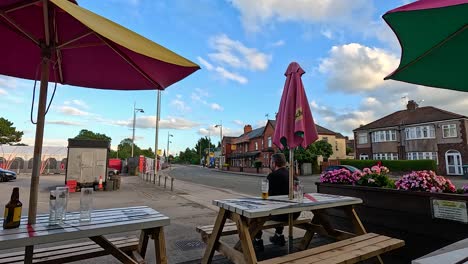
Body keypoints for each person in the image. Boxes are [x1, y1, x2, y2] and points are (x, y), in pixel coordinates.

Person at [253, 153, 300, 251]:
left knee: (254, 215)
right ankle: (278, 235)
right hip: (295, 213)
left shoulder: (272, 176)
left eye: (271, 162)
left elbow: (267, 198)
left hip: (281, 214)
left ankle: (257, 241)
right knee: (281, 206)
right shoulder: (293, 176)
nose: (270, 164)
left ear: (274, 163)